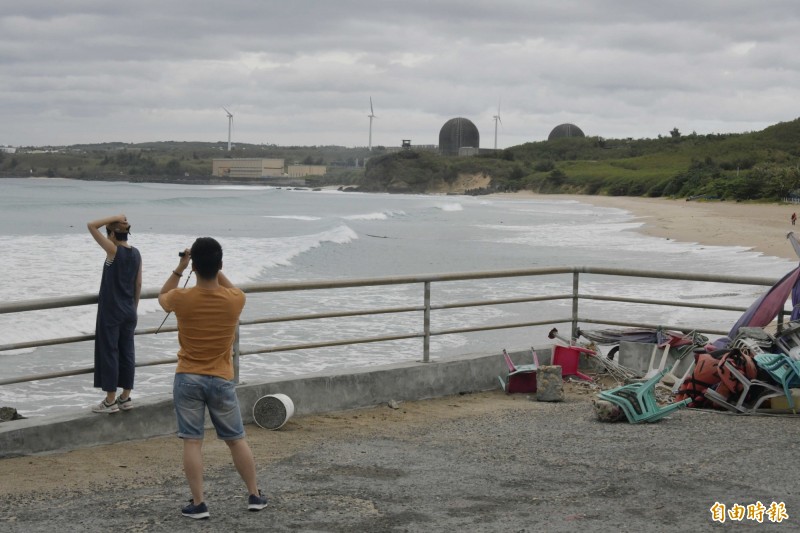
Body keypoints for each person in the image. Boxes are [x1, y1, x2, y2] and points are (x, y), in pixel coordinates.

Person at [158, 237, 267, 519]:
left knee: (192, 441)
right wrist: (211, 267)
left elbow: (163, 297)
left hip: (188, 378)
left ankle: (199, 503)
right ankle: (254, 495)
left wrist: (182, 267)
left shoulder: (181, 299)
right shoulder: (235, 300)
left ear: (195, 266)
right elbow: (231, 287)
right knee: (236, 439)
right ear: (220, 265)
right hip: (221, 379)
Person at [87, 214, 142, 414]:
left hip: (111, 311)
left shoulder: (113, 249)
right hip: (129, 310)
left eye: (108, 233)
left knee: (109, 352)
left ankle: (110, 400)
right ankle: (125, 397)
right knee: (127, 352)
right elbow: (138, 284)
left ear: (111, 234)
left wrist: (115, 216)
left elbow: (91, 224)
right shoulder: (136, 253)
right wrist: (133, 309)